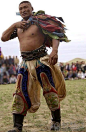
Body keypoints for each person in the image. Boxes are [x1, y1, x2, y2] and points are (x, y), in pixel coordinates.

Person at [1, 1, 70, 131]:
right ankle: (17, 127)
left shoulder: (40, 22)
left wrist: (54, 51)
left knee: (49, 91)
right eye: (20, 8)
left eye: (26, 7)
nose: (23, 10)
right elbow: (3, 37)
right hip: (25, 63)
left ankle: (56, 121)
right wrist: (14, 25)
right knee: (19, 92)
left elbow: (55, 33)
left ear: (31, 8)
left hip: (41, 61)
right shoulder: (19, 27)